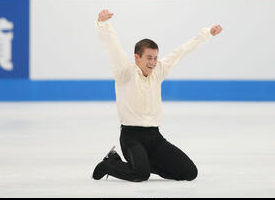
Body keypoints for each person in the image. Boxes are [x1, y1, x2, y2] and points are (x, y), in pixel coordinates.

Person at [93, 9, 223, 182]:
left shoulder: (158, 71)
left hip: (155, 138)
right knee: (140, 174)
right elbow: (113, 47)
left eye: (155, 58)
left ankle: (143, 163)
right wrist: (102, 24)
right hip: (131, 138)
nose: (153, 62)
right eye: (149, 58)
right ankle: (110, 163)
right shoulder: (125, 73)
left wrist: (207, 34)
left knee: (189, 173)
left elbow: (182, 51)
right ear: (137, 57)